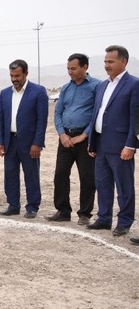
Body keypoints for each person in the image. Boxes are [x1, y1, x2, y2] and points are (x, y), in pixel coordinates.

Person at [87, 45, 139, 237]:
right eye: (105, 61)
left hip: (120, 146)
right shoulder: (102, 85)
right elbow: (97, 114)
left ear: (123, 62)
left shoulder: (134, 84)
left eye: (111, 61)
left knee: (124, 186)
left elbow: (135, 117)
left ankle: (124, 222)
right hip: (101, 144)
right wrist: (92, 142)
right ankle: (104, 218)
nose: (107, 65)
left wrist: (130, 145)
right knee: (103, 184)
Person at [45, 54, 100, 226]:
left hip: (85, 139)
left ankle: (85, 213)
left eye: (74, 68)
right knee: (60, 174)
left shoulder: (97, 86)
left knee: (87, 177)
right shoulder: (66, 88)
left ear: (85, 67)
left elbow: (97, 114)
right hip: (66, 139)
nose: (70, 72)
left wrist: (84, 135)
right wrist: (62, 134)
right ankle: (63, 210)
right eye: (68, 68)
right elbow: (58, 112)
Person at [0, 59, 48, 219]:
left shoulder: (38, 92)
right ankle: (13, 205)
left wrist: (37, 143)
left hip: (29, 143)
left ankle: (32, 207)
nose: (14, 79)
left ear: (26, 74)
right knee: (10, 174)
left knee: (31, 174)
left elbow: (42, 120)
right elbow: (0, 119)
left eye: (17, 75)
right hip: (10, 141)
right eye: (12, 76)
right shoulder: (4, 93)